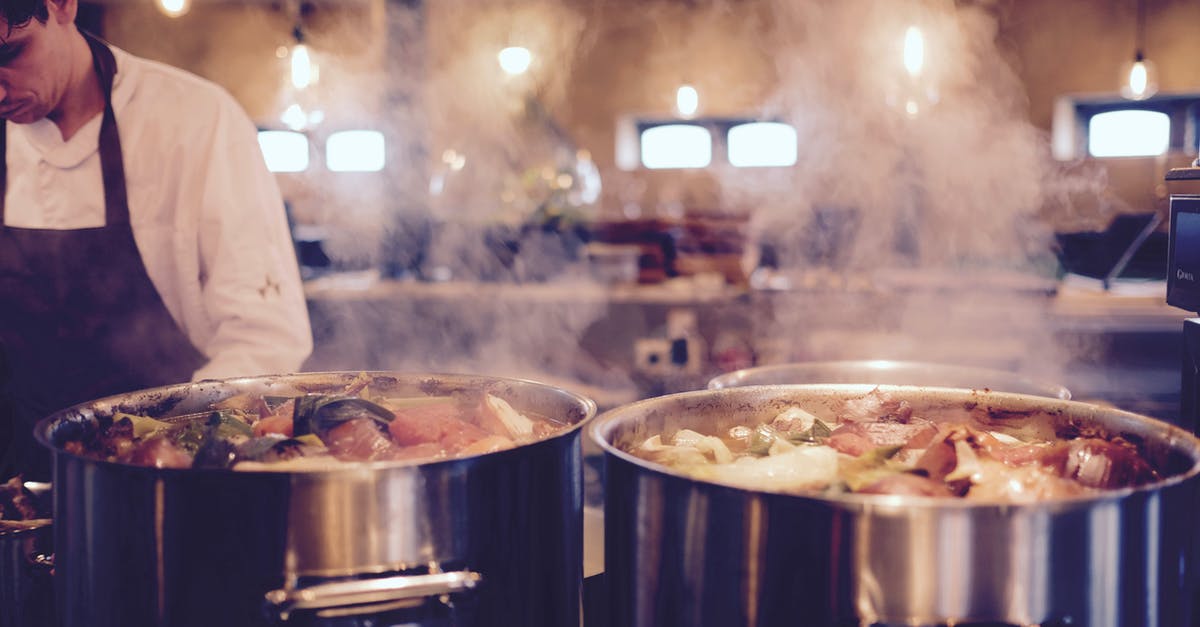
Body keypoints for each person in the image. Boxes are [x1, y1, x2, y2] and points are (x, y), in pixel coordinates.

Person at [0, 0, 313, 481]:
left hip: (165, 484)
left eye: (12, 52)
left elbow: (263, 338)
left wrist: (175, 455)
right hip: (17, 491)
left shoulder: (193, 121)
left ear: (62, 5)